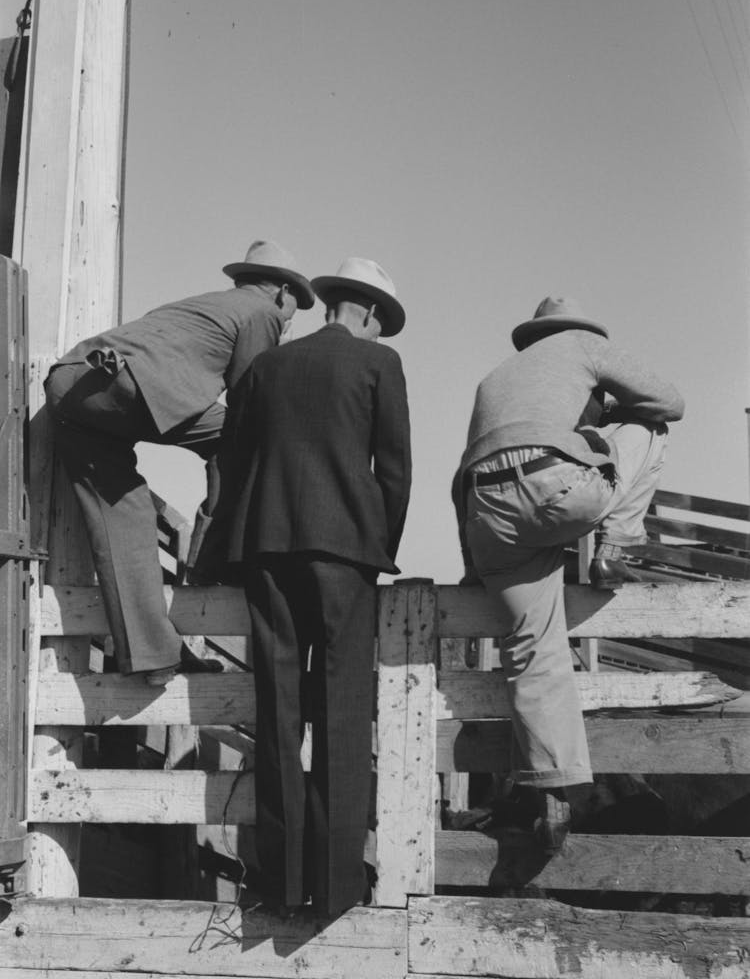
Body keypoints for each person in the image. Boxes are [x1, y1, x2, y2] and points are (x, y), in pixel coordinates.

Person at [452, 296, 685, 853]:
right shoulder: (584, 346)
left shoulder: (494, 379)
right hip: (555, 488)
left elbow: (474, 466)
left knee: (534, 651)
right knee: (652, 429)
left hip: (486, 517)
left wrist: (470, 567)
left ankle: (552, 801)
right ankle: (616, 546)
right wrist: (605, 414)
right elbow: (672, 402)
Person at [228, 257, 411, 919]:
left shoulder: (267, 365)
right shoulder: (378, 367)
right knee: (341, 709)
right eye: (380, 322)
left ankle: (279, 884)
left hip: (266, 546)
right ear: (365, 313)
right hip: (344, 553)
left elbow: (234, 458)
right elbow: (394, 470)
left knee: (277, 713)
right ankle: (335, 890)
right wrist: (376, 544)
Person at [44, 240, 314, 683]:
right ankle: (213, 560)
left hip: (70, 383)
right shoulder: (262, 312)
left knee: (123, 512)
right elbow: (251, 404)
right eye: (293, 308)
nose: (289, 318)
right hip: (128, 383)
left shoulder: (204, 305)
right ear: (283, 292)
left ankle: (153, 656)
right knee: (243, 439)